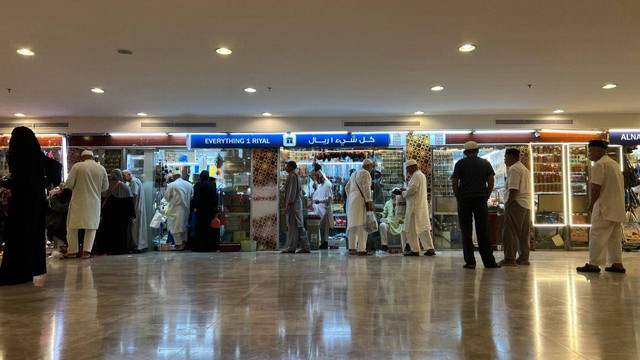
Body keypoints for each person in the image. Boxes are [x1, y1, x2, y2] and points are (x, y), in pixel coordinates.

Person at [0, 127, 62, 285]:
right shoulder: (37, 155)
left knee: (17, 235)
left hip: (20, 201)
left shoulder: (16, 154)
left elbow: (18, 178)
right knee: (33, 234)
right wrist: (48, 182)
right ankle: (30, 269)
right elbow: (56, 167)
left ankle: (16, 271)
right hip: (36, 201)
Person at [577, 140, 627, 273]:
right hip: (617, 207)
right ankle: (617, 264)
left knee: (597, 235)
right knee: (614, 238)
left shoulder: (599, 165)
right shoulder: (614, 164)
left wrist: (591, 204)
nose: (588, 154)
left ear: (599, 151)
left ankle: (593, 264)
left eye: (590, 151)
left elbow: (596, 188)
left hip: (604, 207)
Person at [452, 141, 500, 269]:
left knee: (466, 231)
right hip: (480, 199)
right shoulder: (485, 163)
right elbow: (491, 181)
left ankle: (470, 262)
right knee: (483, 230)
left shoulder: (460, 164)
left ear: (465, 152)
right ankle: (489, 262)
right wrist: (486, 196)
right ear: (477, 151)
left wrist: (459, 197)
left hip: (464, 199)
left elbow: (455, 183)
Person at [65, 150, 109, 259]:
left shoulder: (77, 166)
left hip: (78, 202)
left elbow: (69, 184)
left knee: (72, 227)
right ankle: (86, 252)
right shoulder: (101, 168)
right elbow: (105, 187)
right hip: (94, 203)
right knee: (91, 228)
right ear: (92, 157)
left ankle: (72, 252)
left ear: (82, 157)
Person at [498, 148, 532, 267]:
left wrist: (508, 203)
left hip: (516, 203)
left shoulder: (514, 169)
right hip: (526, 204)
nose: (504, 160)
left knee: (510, 232)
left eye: (505, 157)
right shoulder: (524, 169)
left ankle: (509, 258)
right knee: (523, 233)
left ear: (511, 157)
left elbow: (513, 189)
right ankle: (523, 258)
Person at [93, 169, 136, 256]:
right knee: (121, 233)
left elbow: (101, 201)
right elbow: (130, 204)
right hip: (121, 217)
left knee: (107, 232)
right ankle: (120, 250)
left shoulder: (106, 187)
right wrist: (132, 215)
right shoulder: (126, 188)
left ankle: (107, 249)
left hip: (108, 216)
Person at [401, 160, 435, 257]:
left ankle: (415, 249)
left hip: (414, 207)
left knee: (409, 228)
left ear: (412, 167)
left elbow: (413, 189)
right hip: (419, 206)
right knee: (423, 227)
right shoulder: (421, 175)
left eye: (408, 169)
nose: (407, 171)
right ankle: (430, 248)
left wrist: (403, 193)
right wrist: (406, 190)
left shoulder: (416, 175)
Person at [345, 159, 375, 255]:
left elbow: (346, 187)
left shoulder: (354, 174)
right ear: (367, 166)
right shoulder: (365, 173)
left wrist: (351, 195)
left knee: (353, 224)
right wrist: (368, 200)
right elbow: (366, 188)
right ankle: (361, 249)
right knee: (362, 224)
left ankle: (352, 247)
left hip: (352, 200)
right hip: (361, 200)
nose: (372, 169)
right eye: (371, 166)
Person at [281, 160, 311, 254]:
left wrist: (289, 205)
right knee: (293, 227)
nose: (286, 168)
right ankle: (292, 247)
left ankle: (305, 246)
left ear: (291, 167)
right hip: (294, 204)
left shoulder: (293, 177)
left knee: (299, 226)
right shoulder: (293, 176)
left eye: (287, 166)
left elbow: (292, 192)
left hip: (294, 205)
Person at [164, 172, 193, 250]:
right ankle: (183, 243)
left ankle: (179, 245)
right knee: (184, 227)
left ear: (173, 177)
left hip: (175, 209)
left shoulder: (171, 185)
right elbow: (192, 197)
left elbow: (166, 198)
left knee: (175, 228)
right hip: (186, 209)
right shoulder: (189, 185)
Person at [192, 170, 219, 252]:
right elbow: (214, 198)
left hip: (200, 210)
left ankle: (199, 247)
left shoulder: (197, 185)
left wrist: (195, 207)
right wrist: (215, 208)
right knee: (209, 228)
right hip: (210, 210)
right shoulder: (212, 185)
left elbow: (195, 198)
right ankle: (209, 247)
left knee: (200, 228)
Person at [123, 170, 148, 252]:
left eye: (124, 175)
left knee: (135, 228)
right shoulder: (134, 181)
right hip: (137, 207)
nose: (123, 177)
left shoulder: (134, 182)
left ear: (129, 175)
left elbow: (134, 194)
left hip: (136, 208)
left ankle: (137, 246)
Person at [378, 188, 406, 252]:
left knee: (407, 225)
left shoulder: (403, 202)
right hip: (389, 222)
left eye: (395, 194)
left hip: (400, 223)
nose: (393, 195)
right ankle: (384, 245)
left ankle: (407, 245)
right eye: (392, 194)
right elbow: (384, 213)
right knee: (382, 225)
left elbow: (406, 214)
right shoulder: (388, 203)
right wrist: (381, 215)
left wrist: (404, 220)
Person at [314, 171, 334, 250]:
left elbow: (329, 198)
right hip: (320, 208)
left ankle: (325, 243)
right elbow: (317, 195)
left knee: (325, 227)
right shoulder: (320, 186)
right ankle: (322, 243)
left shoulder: (328, 184)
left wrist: (320, 201)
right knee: (321, 227)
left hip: (326, 209)